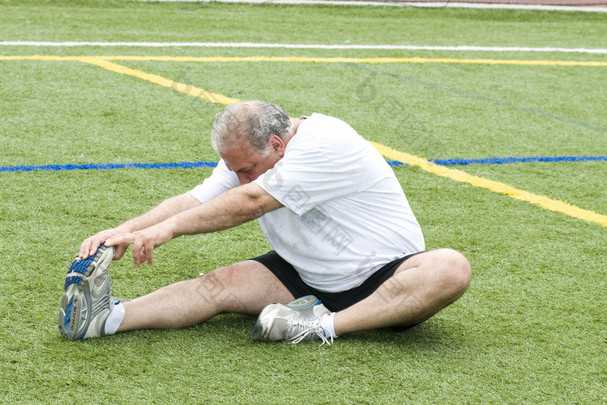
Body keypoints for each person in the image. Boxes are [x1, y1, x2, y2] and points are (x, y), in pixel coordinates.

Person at [58, 101, 471, 344]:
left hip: (384, 278)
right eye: (235, 169)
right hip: (305, 275)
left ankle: (321, 326)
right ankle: (107, 319)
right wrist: (128, 229)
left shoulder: (325, 141)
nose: (241, 177)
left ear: (277, 144)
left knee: (451, 267)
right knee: (217, 284)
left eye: (248, 168)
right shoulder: (251, 157)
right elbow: (196, 199)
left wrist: (169, 230)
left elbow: (253, 201)